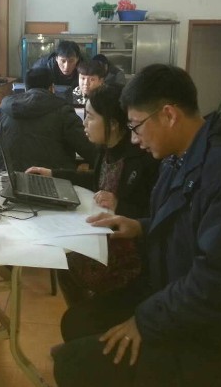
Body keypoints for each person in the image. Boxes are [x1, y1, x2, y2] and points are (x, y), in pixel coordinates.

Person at [52, 64, 221, 387]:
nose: (134, 139)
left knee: (75, 366)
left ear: (169, 115)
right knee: (78, 322)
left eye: (137, 127)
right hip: (176, 296)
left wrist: (145, 321)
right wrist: (141, 226)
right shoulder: (181, 155)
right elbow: (190, 223)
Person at [26, 84, 159, 305]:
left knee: (69, 263)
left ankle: (97, 313)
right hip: (103, 233)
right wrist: (52, 174)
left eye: (90, 116)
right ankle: (87, 313)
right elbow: (97, 180)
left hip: (129, 246)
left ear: (113, 124)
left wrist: (119, 204)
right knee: (65, 258)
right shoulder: (106, 148)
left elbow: (154, 213)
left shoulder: (142, 157)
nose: (84, 123)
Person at [0, 67, 95, 172]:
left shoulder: (1, 110)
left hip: (1, 177)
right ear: (52, 88)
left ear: (25, 88)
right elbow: (88, 148)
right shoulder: (63, 112)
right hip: (49, 179)